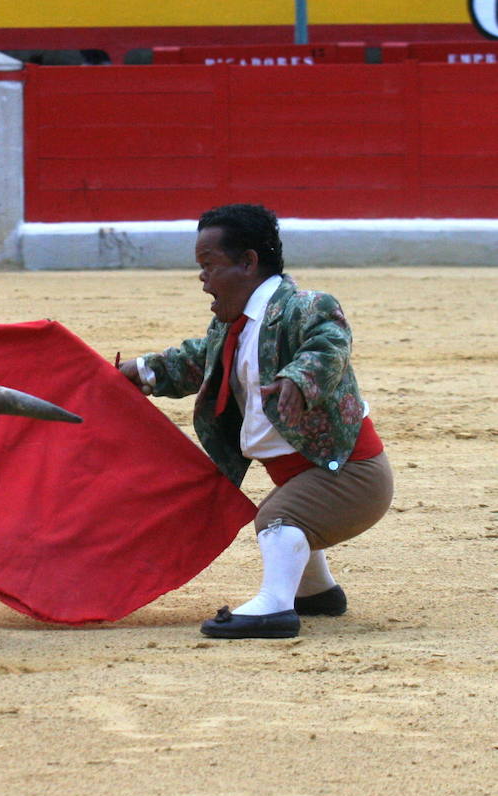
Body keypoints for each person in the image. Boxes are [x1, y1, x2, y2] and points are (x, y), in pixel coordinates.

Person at [118, 203, 393, 639]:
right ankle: (316, 592)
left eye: (209, 265)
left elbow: (328, 346)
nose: (202, 279)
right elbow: (198, 361)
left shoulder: (306, 306)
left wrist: (298, 381)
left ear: (247, 262)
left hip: (351, 474)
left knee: (277, 519)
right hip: (310, 474)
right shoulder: (233, 325)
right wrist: (144, 370)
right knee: (287, 508)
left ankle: (276, 609)